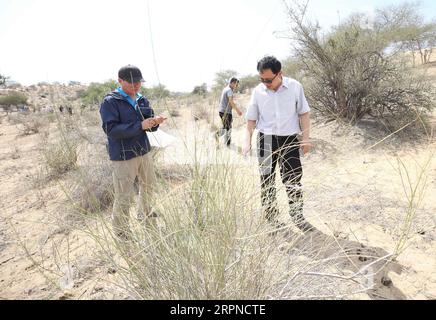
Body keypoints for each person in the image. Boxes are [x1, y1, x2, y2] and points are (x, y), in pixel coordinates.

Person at [243, 56, 314, 232]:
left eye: (268, 79)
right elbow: (251, 119)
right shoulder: (258, 91)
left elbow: (304, 114)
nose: (265, 83)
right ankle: (272, 218)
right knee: (266, 179)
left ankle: (297, 215)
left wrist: (305, 139)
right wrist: (247, 141)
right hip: (266, 140)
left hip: (289, 139)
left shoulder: (295, 87)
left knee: (293, 178)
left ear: (279, 74)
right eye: (262, 79)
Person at [99, 65, 167, 239]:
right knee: (124, 195)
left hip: (143, 152)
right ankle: (121, 232)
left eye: (138, 82)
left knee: (149, 187)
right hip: (123, 156)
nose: (135, 86)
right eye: (131, 82)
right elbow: (111, 130)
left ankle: (147, 219)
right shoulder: (110, 101)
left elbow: (149, 127)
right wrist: (140, 126)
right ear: (120, 81)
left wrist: (155, 122)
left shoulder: (142, 100)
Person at [216, 77, 243, 147]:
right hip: (226, 112)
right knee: (227, 128)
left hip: (222, 111)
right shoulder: (229, 90)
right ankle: (219, 137)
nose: (236, 86)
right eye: (236, 85)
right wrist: (238, 111)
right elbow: (231, 102)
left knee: (226, 127)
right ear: (232, 83)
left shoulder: (225, 89)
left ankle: (226, 142)